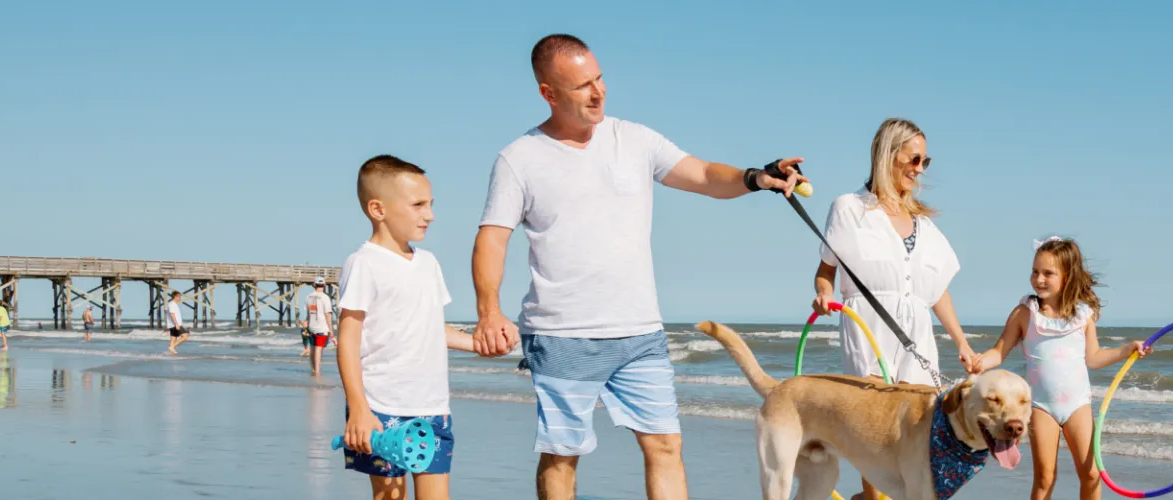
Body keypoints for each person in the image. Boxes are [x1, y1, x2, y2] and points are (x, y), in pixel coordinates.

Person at [469, 33, 808, 500]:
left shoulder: (635, 139)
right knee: (562, 455)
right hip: (563, 333)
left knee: (666, 445)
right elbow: (492, 237)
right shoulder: (520, 159)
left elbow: (706, 175)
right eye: (582, 86)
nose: (598, 91)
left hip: (640, 333)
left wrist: (755, 178)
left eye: (600, 78)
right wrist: (489, 310)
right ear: (548, 93)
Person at [807, 117, 978, 500]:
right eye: (913, 159)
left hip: (915, 332)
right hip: (868, 325)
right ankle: (871, 497)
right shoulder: (849, 209)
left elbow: (935, 293)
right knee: (874, 429)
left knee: (916, 425)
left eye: (925, 162)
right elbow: (825, 271)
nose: (919, 170)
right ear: (888, 155)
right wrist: (823, 295)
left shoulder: (923, 223)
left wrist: (962, 343)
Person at [335, 154, 480, 500]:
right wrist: (358, 407)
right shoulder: (364, 264)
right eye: (417, 205)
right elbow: (347, 340)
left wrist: (479, 344)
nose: (429, 214)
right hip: (381, 408)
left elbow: (432, 329)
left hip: (433, 407)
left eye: (430, 204)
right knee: (390, 497)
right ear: (378, 209)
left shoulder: (428, 263)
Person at [970, 237, 1150, 500]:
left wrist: (1127, 349)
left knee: (1091, 474)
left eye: (1048, 273)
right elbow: (998, 352)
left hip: (1077, 404)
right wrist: (979, 362)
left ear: (1066, 277)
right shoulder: (1024, 313)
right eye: (1035, 271)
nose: (1038, 279)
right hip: (1042, 405)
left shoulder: (1083, 316)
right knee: (1045, 478)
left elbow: (1094, 358)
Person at [304, 277, 335, 376]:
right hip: (322, 327)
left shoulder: (309, 296)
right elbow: (328, 314)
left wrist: (307, 324)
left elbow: (308, 313)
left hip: (312, 325)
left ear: (314, 285)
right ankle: (317, 371)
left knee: (313, 348)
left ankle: (313, 369)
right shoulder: (325, 297)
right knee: (319, 348)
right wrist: (331, 329)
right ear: (324, 285)